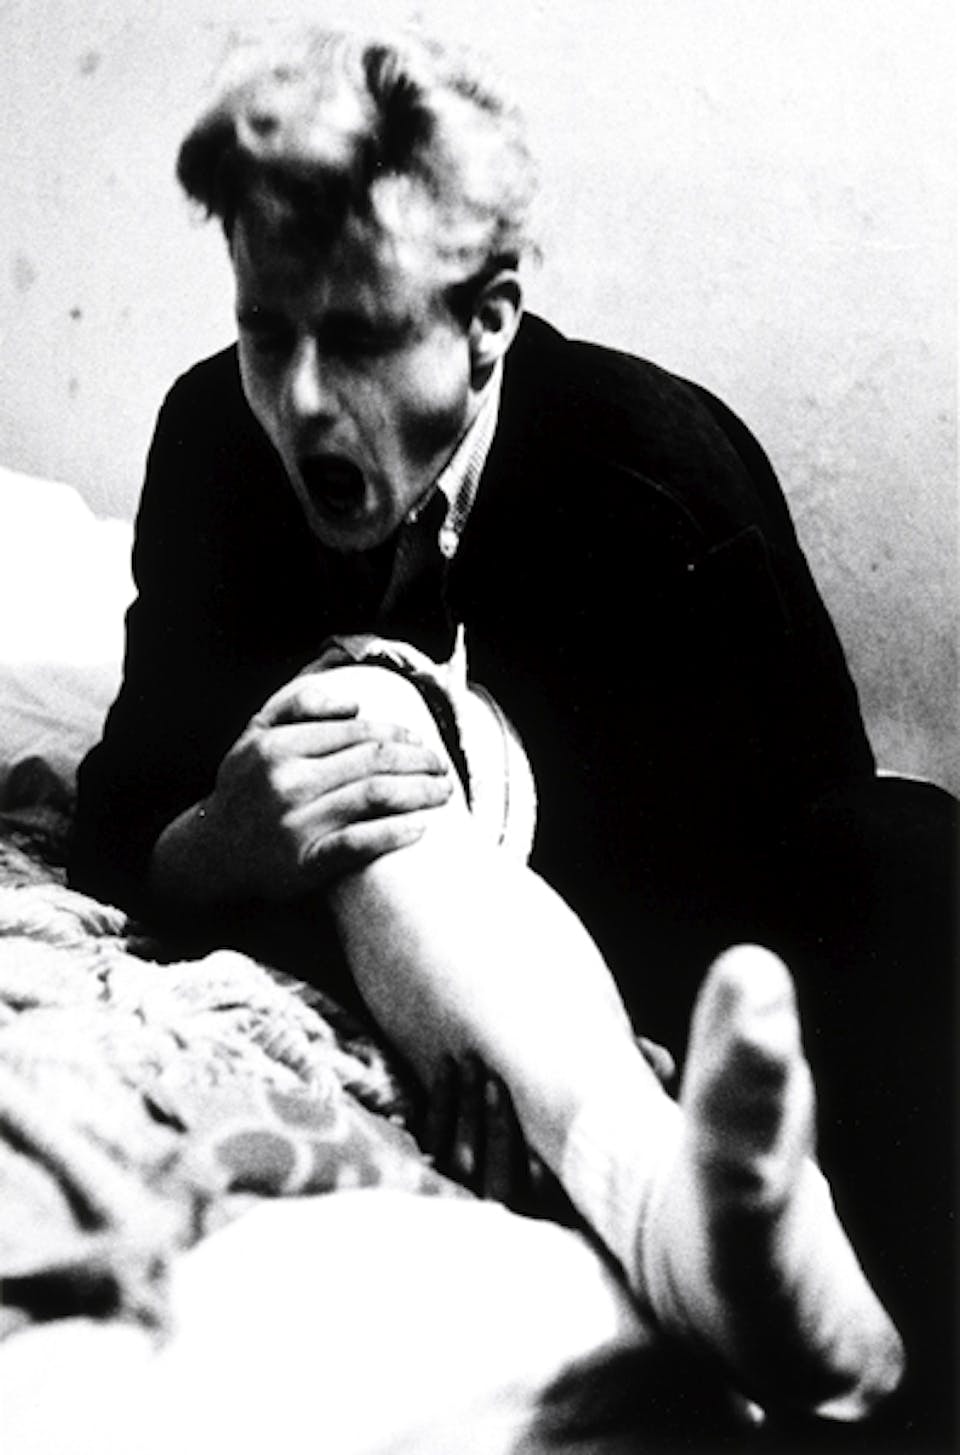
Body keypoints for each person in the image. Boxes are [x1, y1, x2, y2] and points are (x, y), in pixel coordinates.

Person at [69, 25, 954, 1448]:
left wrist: (572, 1068)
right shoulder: (210, 443)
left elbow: (767, 883)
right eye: (265, 331)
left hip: (729, 923)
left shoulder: (654, 485)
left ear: (486, 322)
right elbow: (122, 801)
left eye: (360, 337)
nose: (301, 399)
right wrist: (215, 841)